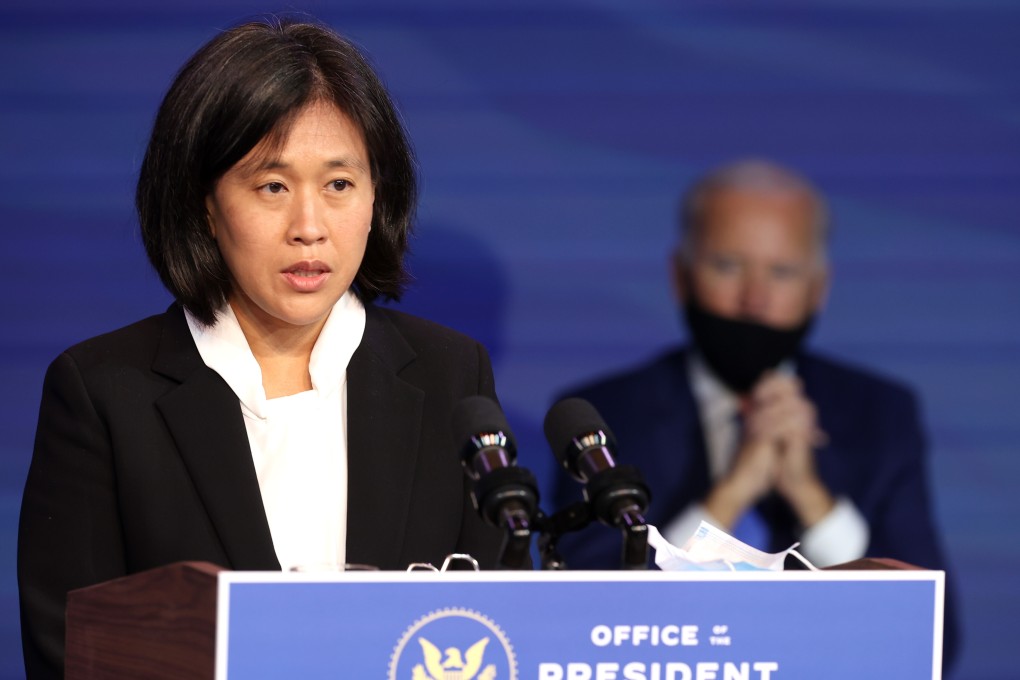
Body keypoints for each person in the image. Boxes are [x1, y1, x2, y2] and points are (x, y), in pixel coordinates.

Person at [18, 18, 503, 678]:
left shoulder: (452, 376)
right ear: (204, 204)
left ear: (376, 196)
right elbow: (72, 652)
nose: (309, 227)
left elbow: (500, 630)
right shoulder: (104, 392)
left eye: (338, 185)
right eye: (272, 186)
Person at [550, 159, 958, 664]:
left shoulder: (880, 413)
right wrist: (733, 491)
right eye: (728, 266)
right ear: (680, 276)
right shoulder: (603, 416)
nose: (755, 299)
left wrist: (811, 498)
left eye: (782, 272)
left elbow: (934, 637)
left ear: (819, 288)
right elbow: (588, 622)